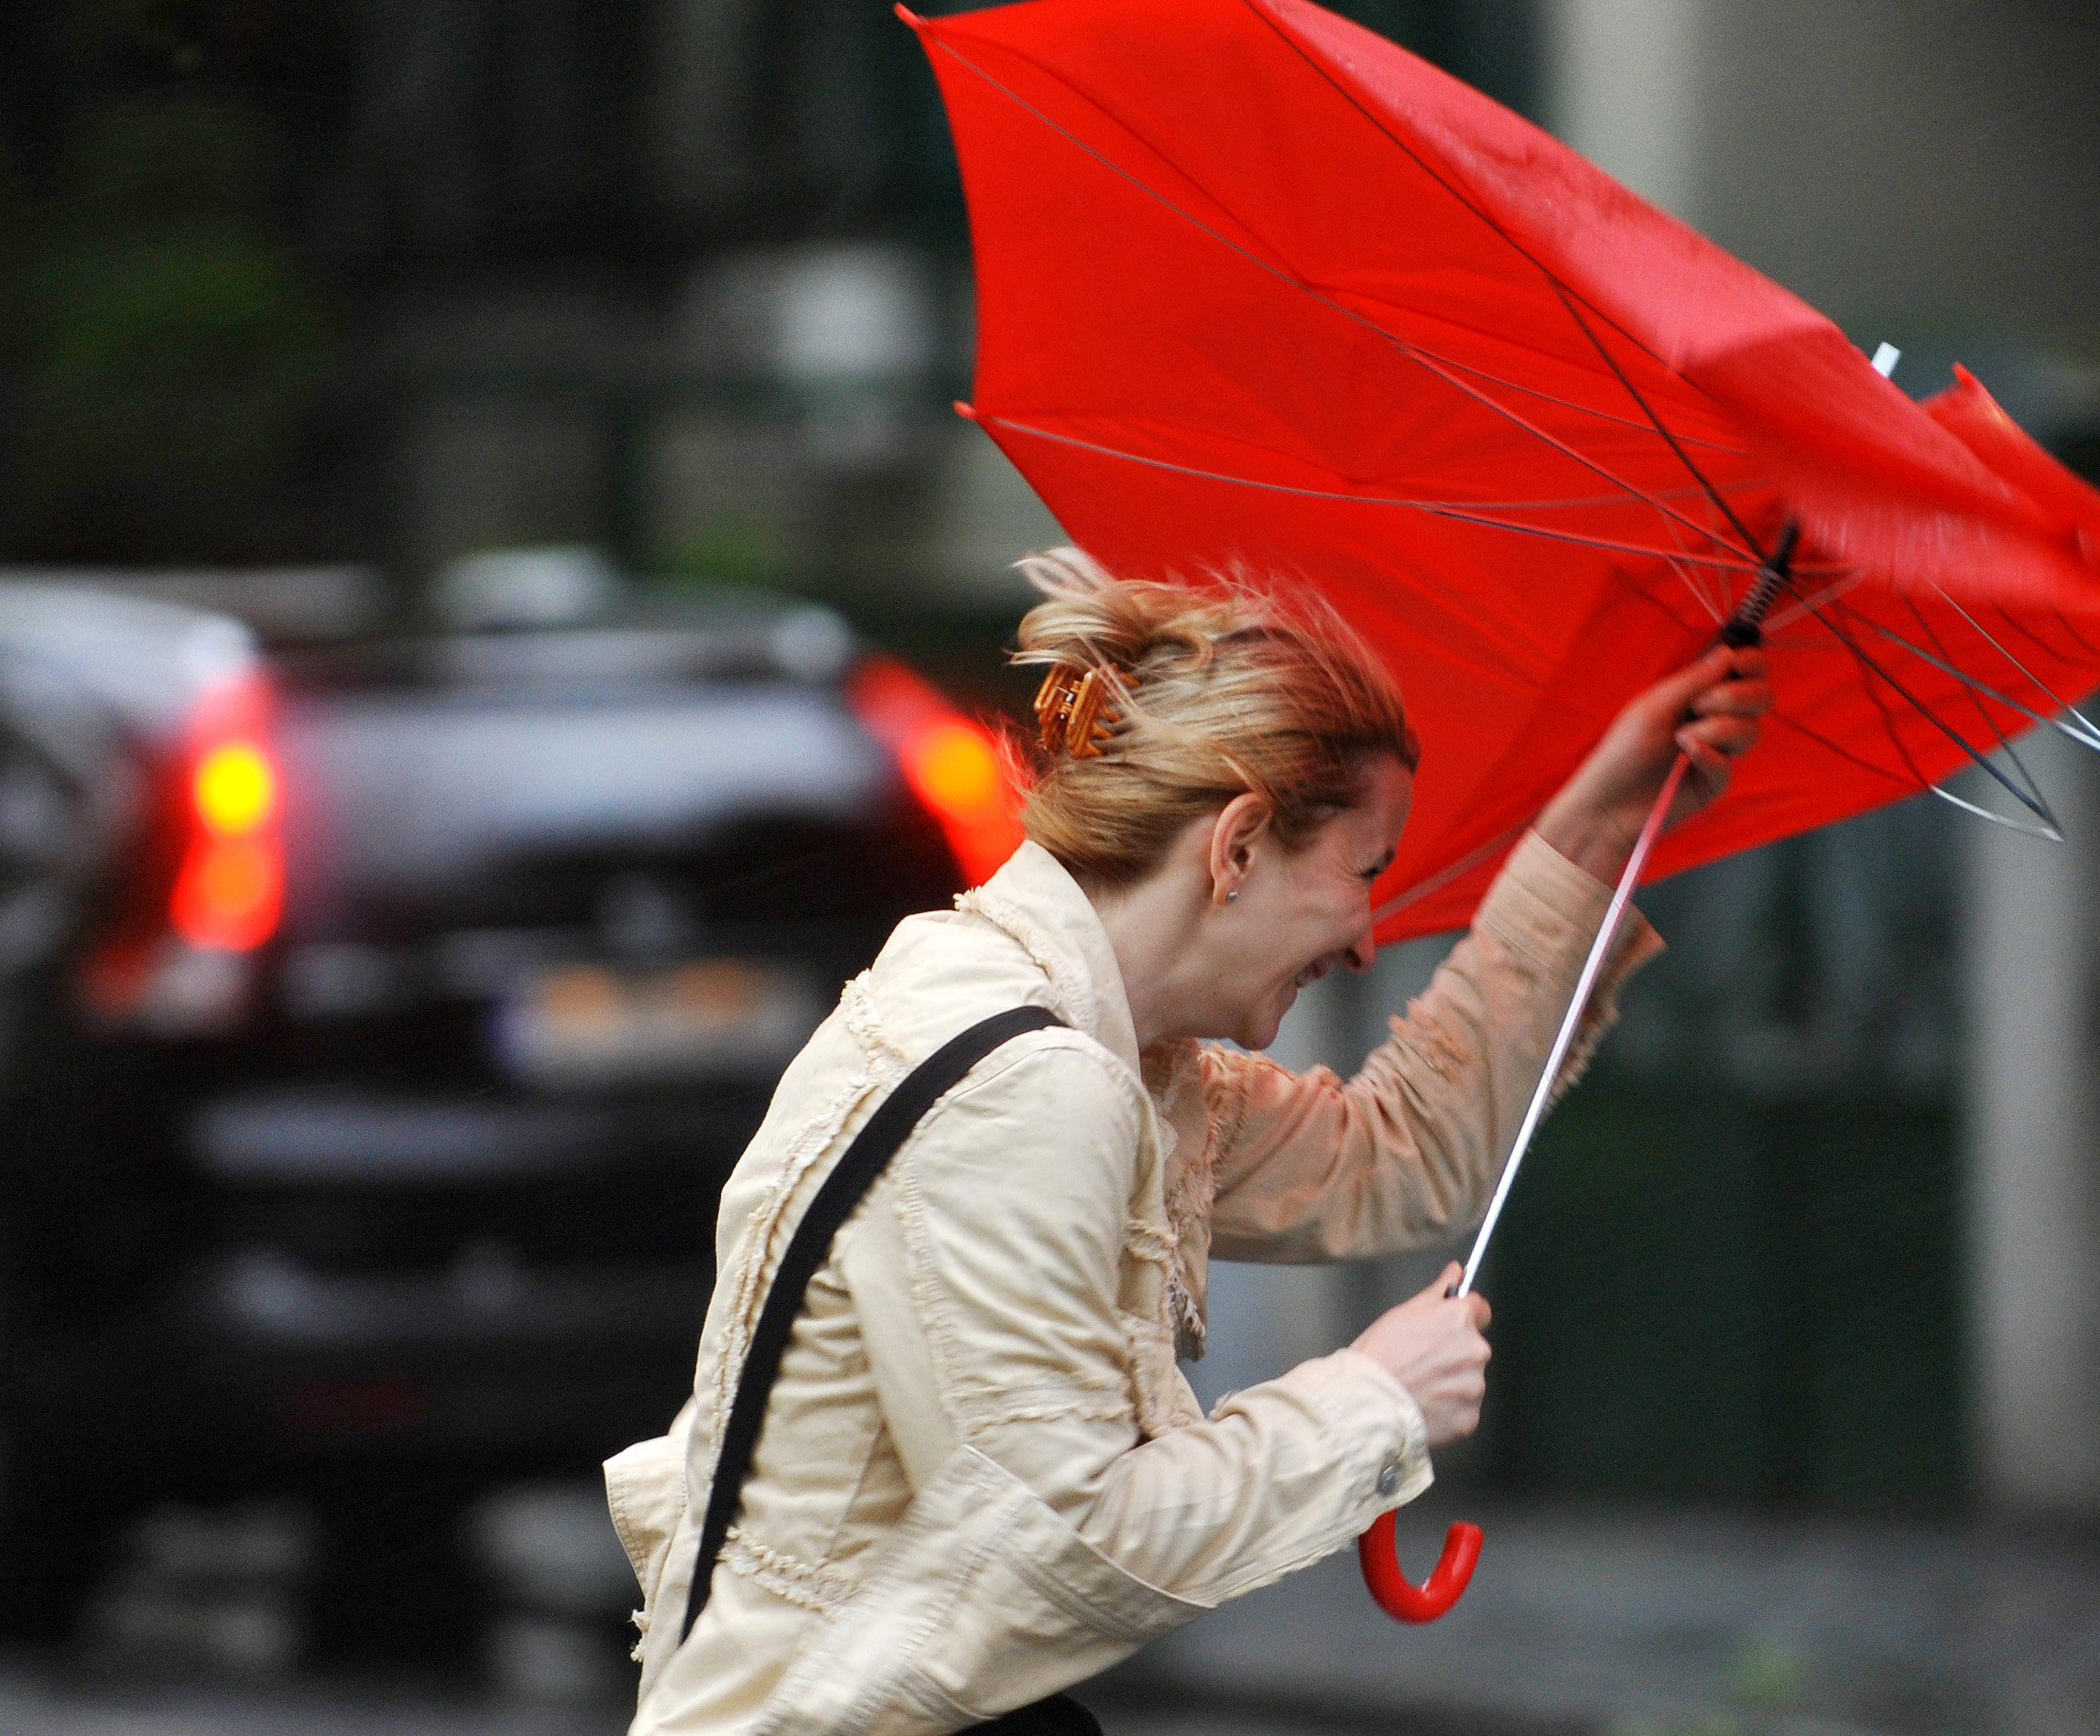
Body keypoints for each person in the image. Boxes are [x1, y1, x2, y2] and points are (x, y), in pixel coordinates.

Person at [607, 549, 1770, 1734]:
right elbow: (1062, 1541)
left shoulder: (1104, 1051)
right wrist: (1372, 1400)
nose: (1368, 938)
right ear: (1237, 845)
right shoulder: (1028, 1083)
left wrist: (1598, 822)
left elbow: (1395, 1153)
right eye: (1364, 873)